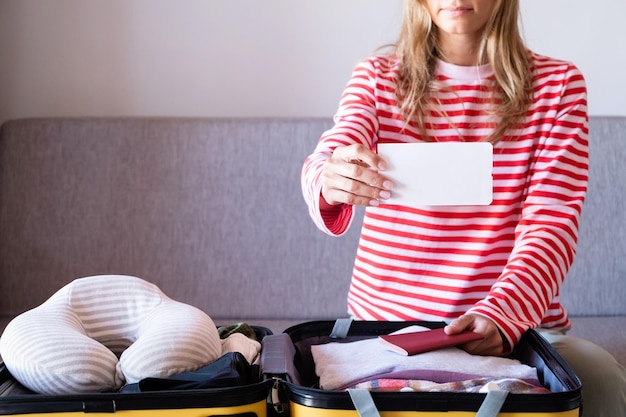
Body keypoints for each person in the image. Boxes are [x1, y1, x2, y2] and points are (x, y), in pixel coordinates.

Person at [300, 0, 626, 415]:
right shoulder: (378, 77)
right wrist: (330, 177)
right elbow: (335, 147)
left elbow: (551, 222)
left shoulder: (557, 85)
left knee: (600, 376)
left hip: (517, 329)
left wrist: (502, 314)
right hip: (387, 333)